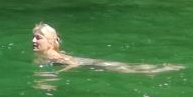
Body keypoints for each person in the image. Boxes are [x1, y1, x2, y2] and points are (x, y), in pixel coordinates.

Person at [31, 22, 181, 75]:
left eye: (38, 38)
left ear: (50, 41)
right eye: (34, 37)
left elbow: (73, 63)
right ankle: (160, 68)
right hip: (89, 62)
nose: (33, 40)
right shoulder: (51, 53)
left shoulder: (51, 55)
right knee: (125, 67)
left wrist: (60, 72)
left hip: (88, 64)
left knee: (127, 70)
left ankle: (161, 69)